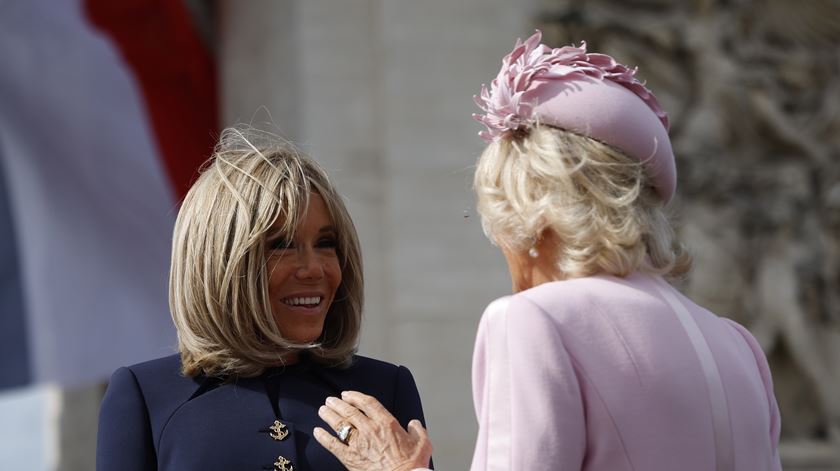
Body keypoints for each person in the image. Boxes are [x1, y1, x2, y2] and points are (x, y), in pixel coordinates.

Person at [314, 31, 782, 470]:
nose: (503, 247)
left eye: (498, 225)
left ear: (532, 220)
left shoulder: (534, 321)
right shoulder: (736, 344)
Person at [96, 128, 429, 471]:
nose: (314, 269)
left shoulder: (384, 389)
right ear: (220, 260)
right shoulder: (146, 397)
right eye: (281, 245)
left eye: (326, 243)